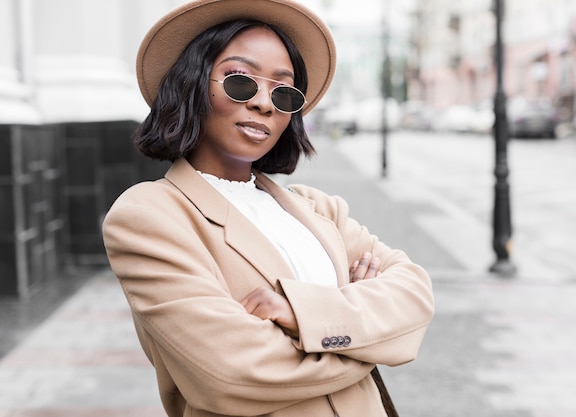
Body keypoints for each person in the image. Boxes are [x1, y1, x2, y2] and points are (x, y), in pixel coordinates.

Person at [102, 0, 434, 416]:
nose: (264, 103)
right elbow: (228, 374)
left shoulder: (317, 209)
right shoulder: (151, 216)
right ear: (191, 83)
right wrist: (369, 339)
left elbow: (415, 297)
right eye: (240, 81)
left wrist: (300, 313)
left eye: (283, 90)